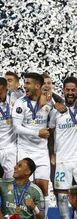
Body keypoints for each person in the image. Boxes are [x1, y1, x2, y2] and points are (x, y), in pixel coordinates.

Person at [12, 72, 51, 217]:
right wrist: (37, 133)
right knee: (22, 188)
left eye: (28, 83)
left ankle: (43, 217)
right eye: (25, 83)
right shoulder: (20, 103)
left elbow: (51, 124)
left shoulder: (48, 103)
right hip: (25, 151)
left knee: (43, 188)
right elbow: (16, 128)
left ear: (37, 86)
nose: (25, 86)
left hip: (41, 152)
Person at [48, 77, 77, 218]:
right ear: (63, 91)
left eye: (73, 90)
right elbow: (50, 134)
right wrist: (52, 154)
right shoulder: (56, 112)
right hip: (62, 159)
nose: (70, 93)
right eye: (68, 90)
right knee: (62, 196)